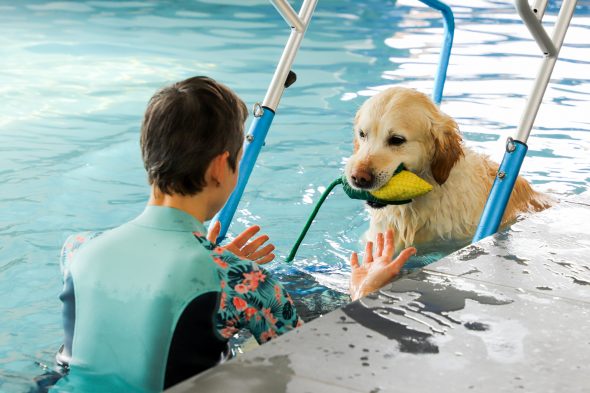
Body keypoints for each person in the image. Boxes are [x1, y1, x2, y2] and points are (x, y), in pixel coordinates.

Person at [48, 76, 416, 393]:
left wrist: (208, 257)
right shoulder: (244, 280)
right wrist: (364, 296)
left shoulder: (78, 249)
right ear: (220, 167)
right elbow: (320, 367)